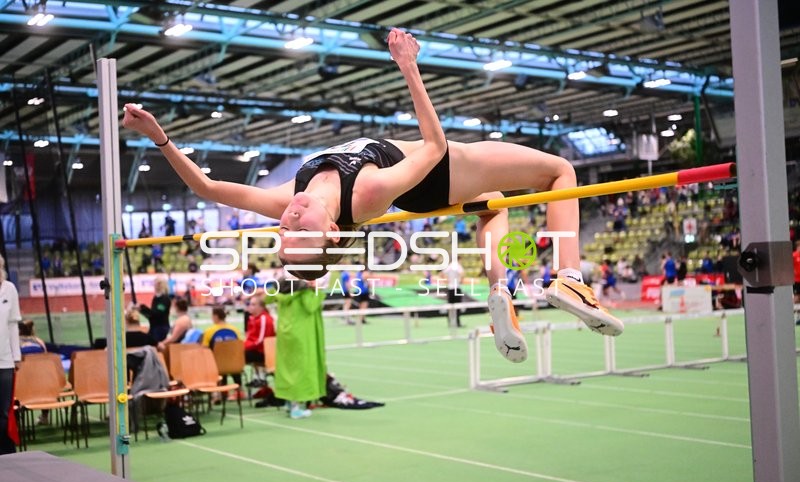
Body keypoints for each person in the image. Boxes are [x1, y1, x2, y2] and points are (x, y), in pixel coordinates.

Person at [121, 28, 623, 364]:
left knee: (492, 199)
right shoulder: (365, 190)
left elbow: (207, 188)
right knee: (560, 170)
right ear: (333, 232)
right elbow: (433, 146)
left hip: (421, 182)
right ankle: (571, 278)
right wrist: (408, 66)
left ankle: (500, 290)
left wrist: (158, 136)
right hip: (435, 168)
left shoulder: (292, 199)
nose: (292, 218)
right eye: (305, 231)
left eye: (287, 230)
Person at [265, 279, 327, 419]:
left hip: (285, 334)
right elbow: (310, 306)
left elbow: (267, 298)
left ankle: (289, 402)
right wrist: (317, 290)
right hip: (301, 334)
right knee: (301, 370)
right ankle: (296, 406)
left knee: (287, 369)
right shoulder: (304, 290)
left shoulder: (280, 286)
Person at [0, 255, 22, 454]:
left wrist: (17, 357)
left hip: (6, 361)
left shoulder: (9, 289)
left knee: (4, 412)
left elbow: (13, 325)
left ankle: (5, 454)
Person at [243, 295, 275, 385]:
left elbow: (260, 340)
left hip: (263, 351)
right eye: (250, 304)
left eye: (253, 304)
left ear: (261, 307)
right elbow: (250, 338)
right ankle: (258, 377)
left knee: (236, 355)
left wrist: (244, 346)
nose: (250, 307)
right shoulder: (252, 318)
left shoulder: (264, 319)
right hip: (254, 350)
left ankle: (259, 378)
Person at [140, 276, 171, 341]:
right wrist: (140, 309)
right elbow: (152, 314)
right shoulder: (156, 298)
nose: (153, 286)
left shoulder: (165, 299)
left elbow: (157, 313)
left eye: (155, 284)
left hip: (160, 327)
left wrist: (142, 308)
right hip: (154, 326)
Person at [441, 256, 464, 327]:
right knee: (457, 307)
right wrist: (460, 280)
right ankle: (457, 322)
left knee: (450, 306)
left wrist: (447, 280)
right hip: (456, 288)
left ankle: (450, 322)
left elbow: (442, 274)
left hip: (450, 288)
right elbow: (462, 273)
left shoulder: (449, 266)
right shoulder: (458, 266)